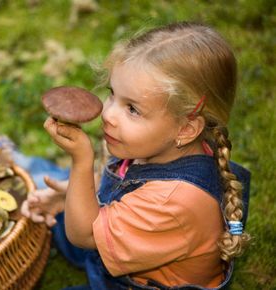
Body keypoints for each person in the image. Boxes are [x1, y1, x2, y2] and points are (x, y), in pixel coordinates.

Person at [20, 21, 251, 290]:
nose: (108, 115)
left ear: (186, 128)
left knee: (64, 217)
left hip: (127, 281)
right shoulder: (154, 145)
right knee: (44, 192)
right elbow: (118, 181)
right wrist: (68, 196)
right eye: (112, 95)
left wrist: (81, 161)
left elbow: (83, 235)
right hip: (119, 232)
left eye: (132, 109)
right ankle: (21, 168)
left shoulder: (173, 203)